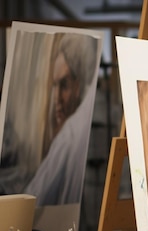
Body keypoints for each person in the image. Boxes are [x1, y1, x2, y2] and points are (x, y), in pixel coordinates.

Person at [23, 32, 99, 206]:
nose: (56, 98)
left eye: (64, 85)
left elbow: (33, 199)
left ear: (78, 86)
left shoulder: (70, 136)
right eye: (54, 86)